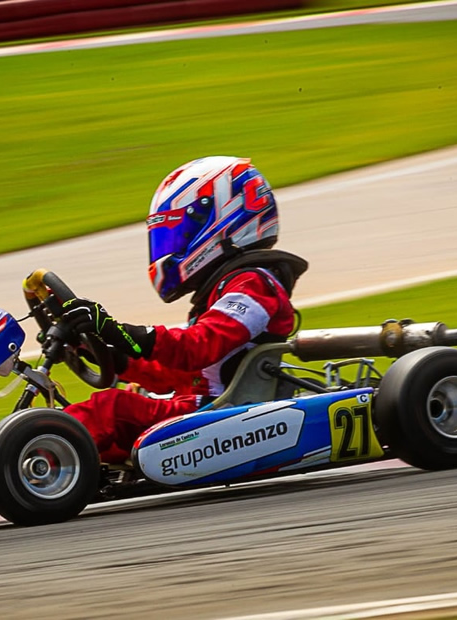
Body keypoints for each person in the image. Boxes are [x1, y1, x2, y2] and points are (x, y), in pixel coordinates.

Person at [60, 156, 308, 464]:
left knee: (109, 410)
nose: (171, 247)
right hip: (200, 408)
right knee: (99, 427)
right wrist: (113, 357)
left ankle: (36, 453)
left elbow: (196, 348)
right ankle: (31, 451)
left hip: (221, 416)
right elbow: (183, 374)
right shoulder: (224, 287)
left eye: (182, 233)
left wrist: (114, 330)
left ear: (224, 220)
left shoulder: (255, 284)